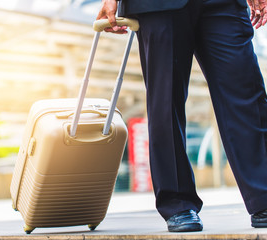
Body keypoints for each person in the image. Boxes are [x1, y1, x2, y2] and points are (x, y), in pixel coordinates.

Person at [96, 0, 267, 233]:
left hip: (224, 4)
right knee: (165, 101)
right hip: (158, 6)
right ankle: (177, 203)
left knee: (247, 92)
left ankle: (263, 197)